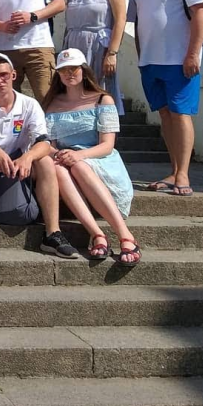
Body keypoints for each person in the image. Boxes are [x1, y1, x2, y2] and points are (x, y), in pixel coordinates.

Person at [0, 52, 78, 259]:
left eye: (3, 75)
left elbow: (43, 142)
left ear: (13, 75)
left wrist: (28, 157)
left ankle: (52, 233)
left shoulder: (29, 104)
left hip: (19, 166)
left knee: (44, 161)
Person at [128, 0, 203, 196]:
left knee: (180, 113)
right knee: (165, 115)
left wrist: (193, 53)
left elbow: (201, 11)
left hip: (179, 59)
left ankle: (183, 175)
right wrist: (141, 57)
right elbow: (138, 23)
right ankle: (174, 171)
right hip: (150, 61)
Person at [42, 49, 139, 266]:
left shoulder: (103, 99)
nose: (69, 73)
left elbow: (107, 145)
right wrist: (60, 154)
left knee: (79, 166)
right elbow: (48, 145)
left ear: (83, 70)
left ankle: (125, 235)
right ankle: (97, 234)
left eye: (74, 68)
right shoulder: (52, 104)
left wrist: (78, 155)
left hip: (99, 159)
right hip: (66, 162)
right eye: (64, 70)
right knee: (58, 167)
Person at [63, 0, 126, 113]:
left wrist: (112, 53)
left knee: (99, 90)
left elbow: (120, 19)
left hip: (98, 46)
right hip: (74, 46)